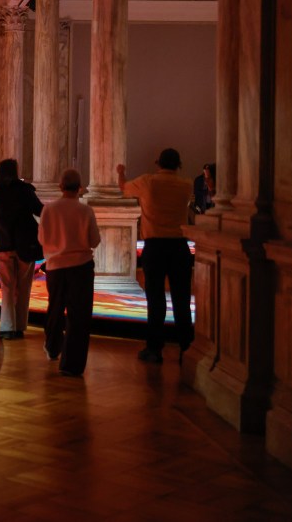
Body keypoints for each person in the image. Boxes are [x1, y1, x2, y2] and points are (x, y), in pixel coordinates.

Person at [118, 148, 195, 364]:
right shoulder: (186, 185)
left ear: (157, 162)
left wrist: (120, 172)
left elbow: (123, 188)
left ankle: (154, 349)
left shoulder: (147, 182)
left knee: (156, 300)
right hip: (180, 247)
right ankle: (186, 347)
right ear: (178, 164)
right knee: (181, 300)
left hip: (155, 247)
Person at [37, 169, 101, 377]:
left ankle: (52, 347)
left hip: (55, 266)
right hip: (80, 266)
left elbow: (42, 239)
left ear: (60, 187)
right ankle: (71, 365)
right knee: (79, 315)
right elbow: (94, 241)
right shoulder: (85, 211)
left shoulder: (49, 209)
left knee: (55, 308)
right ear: (80, 188)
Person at [0, 159, 44, 340]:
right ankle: (19, 326)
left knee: (7, 287)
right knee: (24, 286)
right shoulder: (25, 190)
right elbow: (39, 210)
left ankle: (7, 327)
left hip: (4, 241)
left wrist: (4, 226)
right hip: (26, 242)